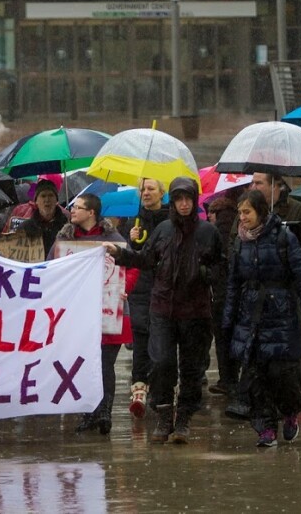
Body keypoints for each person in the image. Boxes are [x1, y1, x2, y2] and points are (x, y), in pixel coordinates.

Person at [107, 177, 224, 444]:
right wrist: (120, 252)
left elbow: (222, 267)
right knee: (161, 362)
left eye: (188, 199)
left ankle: (183, 417)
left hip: (195, 311)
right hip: (162, 308)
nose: (184, 204)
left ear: (194, 201)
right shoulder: (162, 230)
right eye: (179, 198)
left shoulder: (208, 232)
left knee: (192, 368)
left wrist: (207, 273)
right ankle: (164, 412)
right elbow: (145, 260)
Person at [222, 190, 301, 447]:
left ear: (261, 212)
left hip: (281, 315)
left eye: (247, 212)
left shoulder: (284, 238)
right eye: (240, 212)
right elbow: (233, 283)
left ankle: (289, 413)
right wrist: (228, 318)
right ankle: (266, 427)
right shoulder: (240, 243)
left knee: (282, 375)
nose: (242, 218)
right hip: (250, 317)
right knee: (257, 377)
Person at [55, 194, 136, 435]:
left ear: (92, 212)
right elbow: (52, 267)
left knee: (104, 364)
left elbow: (131, 267)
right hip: (78, 315)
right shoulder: (64, 238)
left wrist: (123, 288)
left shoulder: (113, 240)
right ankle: (89, 412)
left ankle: (105, 412)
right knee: (83, 364)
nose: (73, 211)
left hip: (110, 313)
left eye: (78, 208)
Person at [123, 178, 169, 419]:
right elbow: (129, 256)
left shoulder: (170, 220)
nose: (146, 192)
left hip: (163, 288)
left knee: (161, 345)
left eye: (151, 188)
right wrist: (130, 239)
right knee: (140, 341)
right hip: (140, 290)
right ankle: (138, 391)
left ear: (162, 193)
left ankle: (161, 391)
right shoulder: (135, 219)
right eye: (143, 189)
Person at [205, 196, 240, 397]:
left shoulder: (221, 226)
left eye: (210, 212)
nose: (208, 215)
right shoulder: (233, 222)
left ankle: (227, 379)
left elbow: (218, 258)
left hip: (222, 290)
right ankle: (231, 378)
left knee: (223, 335)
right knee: (231, 334)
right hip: (231, 288)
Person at [249, 173, 301, 259]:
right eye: (252, 183)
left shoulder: (298, 209)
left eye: (258, 183)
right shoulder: (248, 208)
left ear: (274, 185)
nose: (253, 187)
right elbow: (233, 239)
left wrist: (287, 238)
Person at [13, 178, 69, 256]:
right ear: (36, 201)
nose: (47, 200)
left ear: (56, 200)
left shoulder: (67, 225)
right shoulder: (25, 227)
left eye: (51, 195)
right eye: (43, 196)